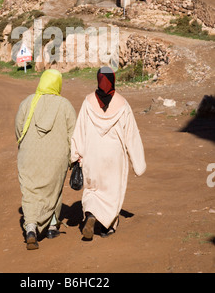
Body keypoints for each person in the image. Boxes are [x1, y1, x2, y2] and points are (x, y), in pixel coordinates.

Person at [71, 66, 146, 240]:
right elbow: (132, 135)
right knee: (112, 191)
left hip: (92, 155)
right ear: (113, 80)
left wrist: (75, 155)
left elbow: (79, 130)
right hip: (114, 158)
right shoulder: (123, 104)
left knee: (92, 188)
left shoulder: (88, 101)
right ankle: (107, 227)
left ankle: (90, 215)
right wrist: (138, 163)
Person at [15, 69, 76, 250]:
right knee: (53, 191)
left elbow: (19, 129)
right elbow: (73, 134)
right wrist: (74, 158)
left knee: (30, 191)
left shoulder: (28, 102)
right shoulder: (65, 105)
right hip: (56, 156)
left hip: (29, 155)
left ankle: (32, 228)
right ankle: (51, 227)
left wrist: (25, 147)